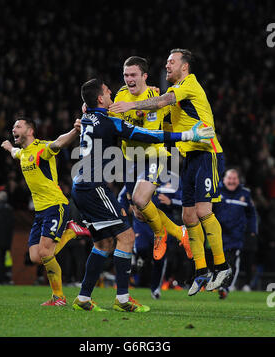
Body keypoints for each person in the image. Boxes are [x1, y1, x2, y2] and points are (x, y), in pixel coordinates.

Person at [71, 78, 214, 312]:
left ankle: (83, 298)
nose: (113, 96)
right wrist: (188, 136)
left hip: (80, 186)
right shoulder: (109, 122)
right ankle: (123, 300)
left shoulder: (87, 117)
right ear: (100, 99)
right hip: (93, 187)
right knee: (127, 237)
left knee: (103, 242)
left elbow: (89, 109)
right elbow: (149, 136)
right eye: (108, 93)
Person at [109, 48, 232, 296]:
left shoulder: (189, 84)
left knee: (203, 211)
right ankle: (201, 272)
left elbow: (162, 102)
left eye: (171, 62)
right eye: (166, 62)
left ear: (184, 67)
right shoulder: (171, 93)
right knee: (188, 217)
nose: (167, 66)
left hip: (207, 153)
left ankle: (222, 265)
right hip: (187, 157)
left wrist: (131, 107)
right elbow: (165, 120)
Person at [1, 115, 89, 306]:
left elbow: (58, 143)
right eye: (13, 126)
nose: (13, 129)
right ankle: (71, 232)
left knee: (46, 252)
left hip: (54, 205)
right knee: (35, 257)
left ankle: (58, 297)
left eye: (18, 126)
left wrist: (75, 131)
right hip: (40, 212)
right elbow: (15, 152)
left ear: (30, 131)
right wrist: (8, 147)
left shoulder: (42, 148)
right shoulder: (23, 153)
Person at [111, 56, 191, 262]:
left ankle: (160, 233)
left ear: (144, 76)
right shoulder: (121, 94)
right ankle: (178, 232)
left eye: (133, 75)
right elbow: (112, 119)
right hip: (130, 160)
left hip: (153, 156)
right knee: (138, 213)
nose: (129, 79)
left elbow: (147, 134)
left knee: (140, 200)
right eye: (126, 75)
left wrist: (133, 117)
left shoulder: (153, 98)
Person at [210, 169, 258, 299]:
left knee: (232, 261)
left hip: (236, 235)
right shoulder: (216, 191)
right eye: (229, 178)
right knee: (218, 261)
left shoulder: (245, 194)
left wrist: (253, 229)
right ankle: (216, 283)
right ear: (224, 179)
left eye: (234, 178)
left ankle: (225, 287)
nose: (231, 181)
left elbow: (251, 214)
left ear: (238, 180)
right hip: (218, 234)